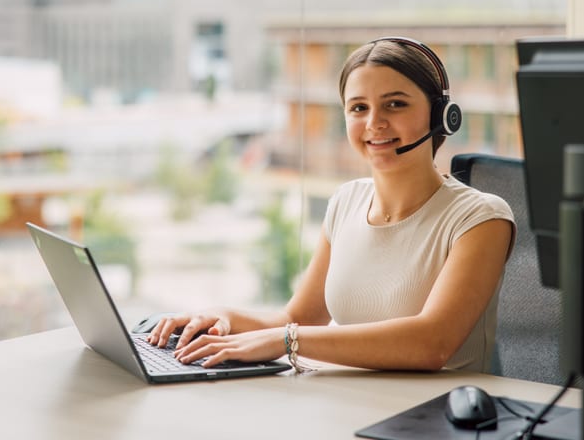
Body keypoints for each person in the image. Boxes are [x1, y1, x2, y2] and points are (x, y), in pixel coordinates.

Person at [148, 37, 515, 373]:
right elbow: (299, 317)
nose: (374, 122)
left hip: (436, 419)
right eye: (358, 107)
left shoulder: (481, 218)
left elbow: (432, 344)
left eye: (395, 104)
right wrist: (220, 315)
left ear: (440, 117)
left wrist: (288, 341)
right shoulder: (346, 202)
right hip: (346, 406)